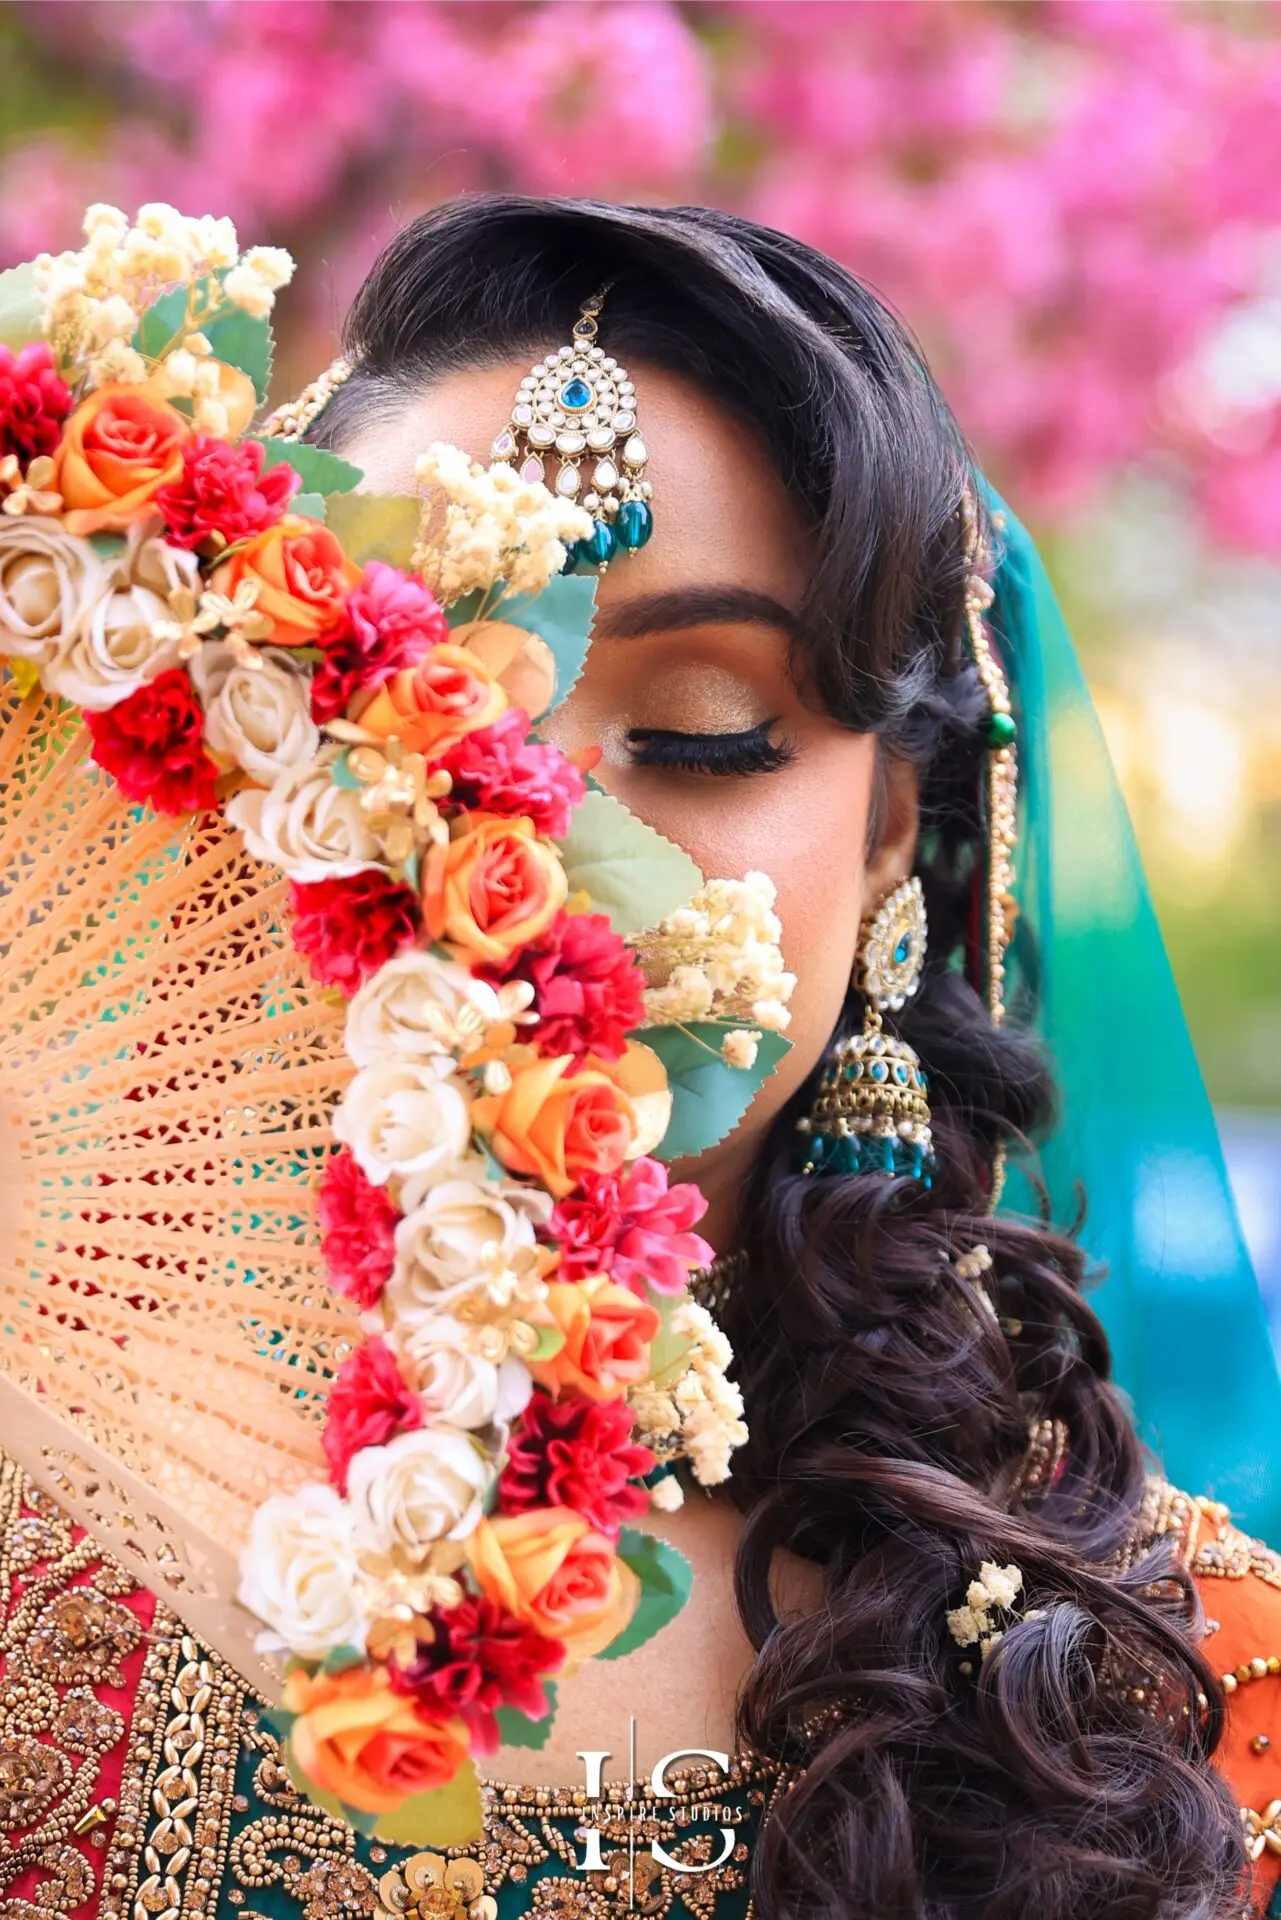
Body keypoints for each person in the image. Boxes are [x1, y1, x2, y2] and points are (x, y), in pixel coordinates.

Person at [4, 194, 1281, 1920]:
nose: (535, 832)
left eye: (701, 733)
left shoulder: (1175, 1687)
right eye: (433, 717)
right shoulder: (49, 1481)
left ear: (890, 833)